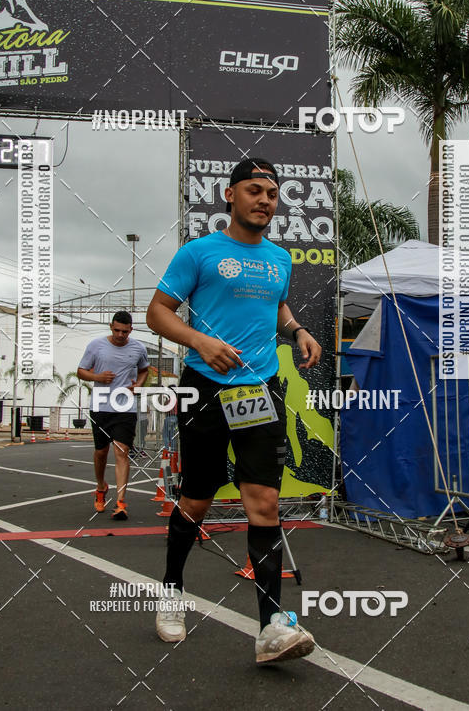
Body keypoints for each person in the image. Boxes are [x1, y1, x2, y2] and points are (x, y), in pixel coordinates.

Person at [147, 158, 322, 664]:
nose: (265, 200)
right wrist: (201, 341)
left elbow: (278, 305)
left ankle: (271, 626)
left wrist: (297, 330)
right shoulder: (198, 252)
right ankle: (171, 592)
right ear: (229, 195)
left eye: (272, 193)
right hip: (204, 386)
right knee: (197, 498)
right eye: (254, 190)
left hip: (258, 389)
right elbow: (157, 312)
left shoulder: (280, 259)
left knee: (264, 501)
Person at [77, 311, 150, 520]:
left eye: (124, 332)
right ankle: (101, 487)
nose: (120, 335)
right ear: (111, 327)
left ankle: (121, 502)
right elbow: (81, 371)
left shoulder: (138, 348)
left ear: (131, 330)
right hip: (100, 406)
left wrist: (138, 385)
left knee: (122, 451)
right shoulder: (96, 345)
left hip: (125, 406)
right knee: (101, 452)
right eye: (117, 330)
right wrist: (97, 376)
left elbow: (144, 370)